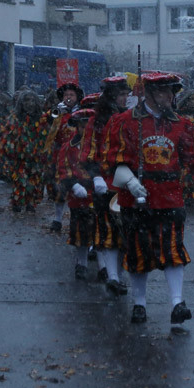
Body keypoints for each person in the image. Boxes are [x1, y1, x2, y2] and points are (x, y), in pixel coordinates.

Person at [104, 72, 194, 325]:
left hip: (170, 197)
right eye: (164, 91)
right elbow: (111, 160)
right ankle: (139, 304)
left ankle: (177, 302)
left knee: (173, 249)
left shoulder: (181, 124)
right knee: (138, 253)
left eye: (172, 91)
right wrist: (130, 181)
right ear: (148, 93)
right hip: (136, 199)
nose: (170, 96)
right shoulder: (123, 122)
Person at [84, 75, 132, 294]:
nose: (125, 98)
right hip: (106, 181)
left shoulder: (130, 118)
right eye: (122, 94)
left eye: (126, 94)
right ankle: (112, 275)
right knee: (108, 229)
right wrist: (95, 176)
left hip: (128, 181)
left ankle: (118, 275)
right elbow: (89, 150)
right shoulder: (97, 120)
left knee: (127, 231)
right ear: (112, 95)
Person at [59, 108, 96, 280]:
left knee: (100, 231)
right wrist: (73, 185)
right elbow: (63, 170)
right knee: (80, 232)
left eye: (89, 127)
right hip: (79, 195)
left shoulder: (99, 146)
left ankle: (104, 267)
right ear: (77, 127)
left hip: (97, 193)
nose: (85, 131)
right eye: (82, 127)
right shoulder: (69, 147)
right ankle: (81, 263)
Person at [45, 82, 83, 232]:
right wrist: (56, 113)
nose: (68, 97)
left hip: (78, 154)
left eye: (71, 95)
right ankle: (57, 219)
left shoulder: (81, 112)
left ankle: (76, 218)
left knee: (78, 186)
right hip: (60, 154)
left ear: (77, 97)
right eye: (66, 95)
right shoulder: (58, 111)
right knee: (59, 187)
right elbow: (47, 121)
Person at [5, 90, 49, 213]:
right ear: (21, 103)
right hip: (19, 156)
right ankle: (17, 201)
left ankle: (31, 202)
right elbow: (8, 137)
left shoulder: (42, 118)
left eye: (32, 100)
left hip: (36, 156)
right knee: (19, 179)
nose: (29, 103)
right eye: (26, 100)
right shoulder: (14, 118)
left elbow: (47, 137)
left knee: (34, 179)